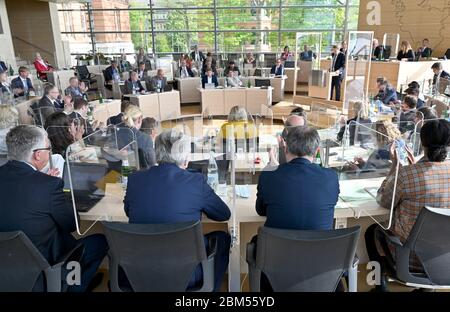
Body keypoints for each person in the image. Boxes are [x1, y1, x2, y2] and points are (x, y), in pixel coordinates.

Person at [0, 125, 108, 292]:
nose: (50, 152)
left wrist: (44, 183)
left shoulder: (44, 184)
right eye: (48, 149)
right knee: (100, 241)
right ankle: (74, 288)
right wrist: (60, 190)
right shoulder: (49, 185)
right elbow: (72, 225)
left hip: (6, 264)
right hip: (45, 264)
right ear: (37, 154)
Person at [124, 128, 231, 291]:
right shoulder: (195, 181)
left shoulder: (134, 179)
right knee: (223, 238)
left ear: (157, 153)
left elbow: (128, 212)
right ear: (186, 157)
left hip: (138, 272)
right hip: (188, 276)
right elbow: (223, 214)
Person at [366, 119, 450, 291]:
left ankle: (380, 287)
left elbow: (384, 200)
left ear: (422, 142)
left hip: (410, 258)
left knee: (371, 231)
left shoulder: (406, 175)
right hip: (444, 259)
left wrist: (395, 168)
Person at [257, 126, 339, 229]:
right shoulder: (331, 177)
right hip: (321, 244)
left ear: (286, 149)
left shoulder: (268, 175)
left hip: (277, 244)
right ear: (316, 151)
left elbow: (261, 210)